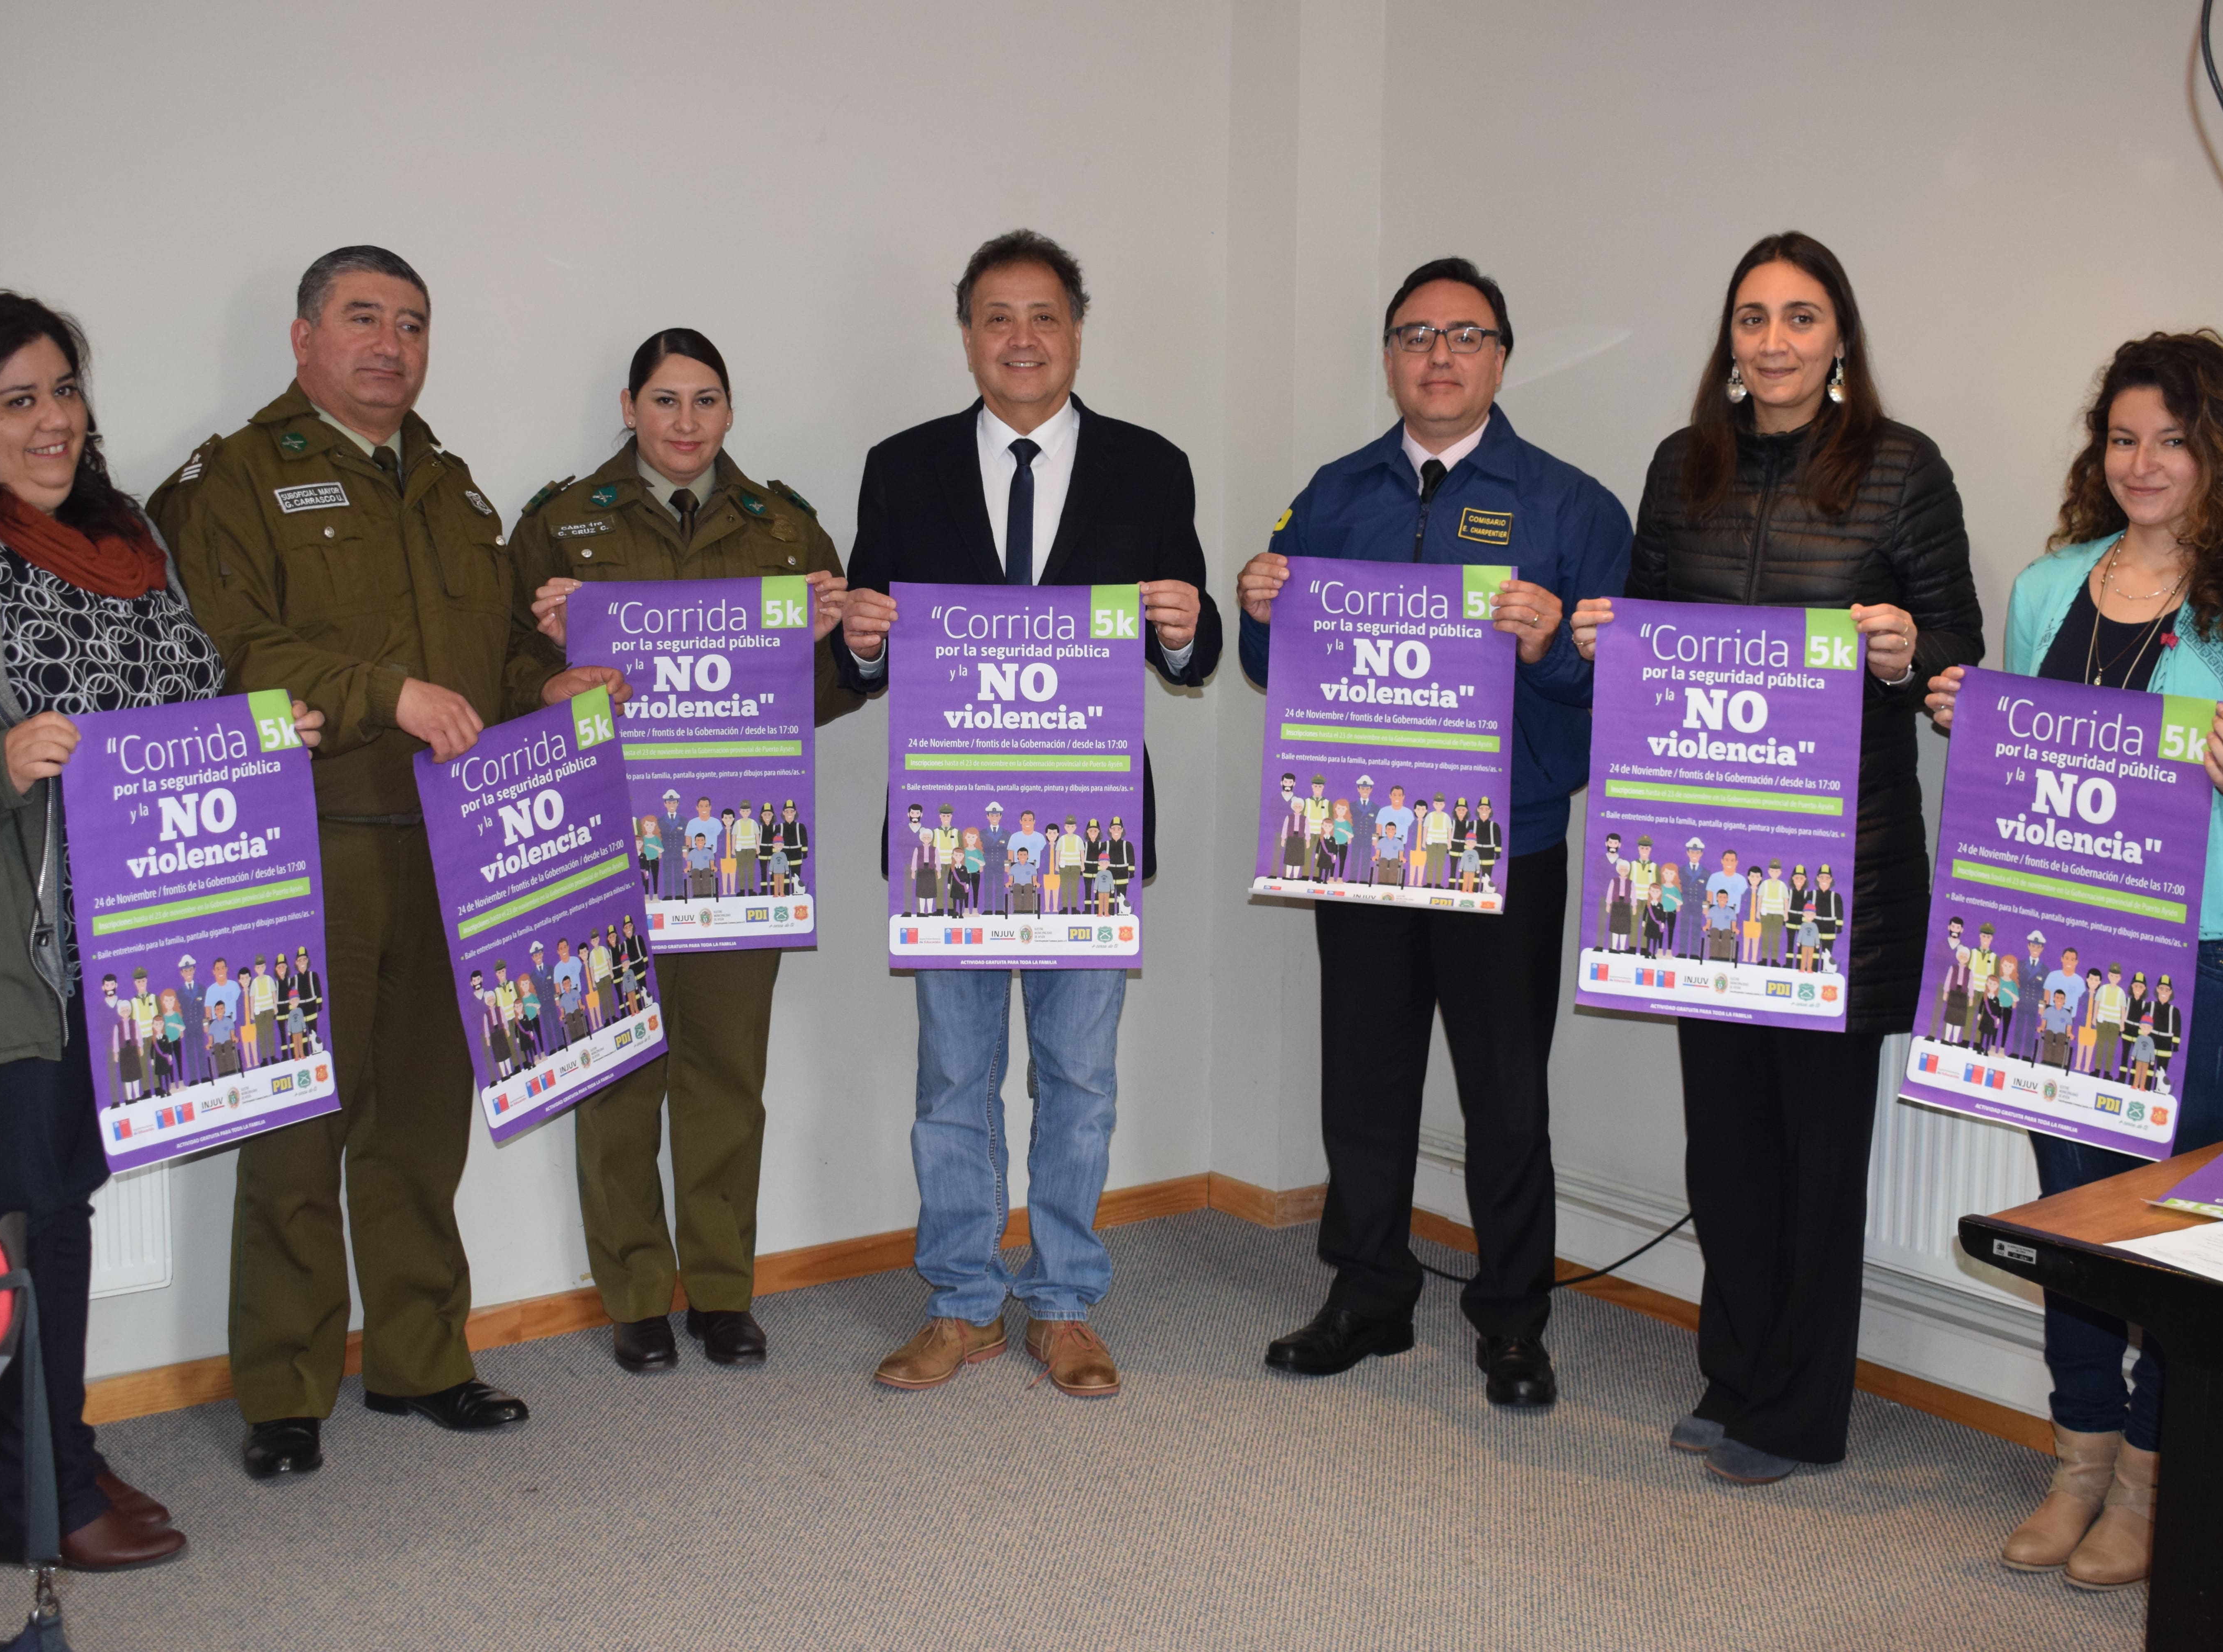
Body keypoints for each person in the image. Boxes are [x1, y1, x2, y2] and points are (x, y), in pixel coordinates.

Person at [0, 291, 319, 1567]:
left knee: (59, 1203)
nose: (53, 420)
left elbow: (175, 701)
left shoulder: (121, 535)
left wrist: (262, 736)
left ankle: (52, 1448)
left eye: (64, 390)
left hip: (124, 945)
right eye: (18, 400)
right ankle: (26, 1504)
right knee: (5, 1218)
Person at [1571, 231, 1982, 1481]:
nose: (1774, 341)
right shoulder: (1679, 464)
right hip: (1703, 865)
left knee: (1818, 1154)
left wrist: (1907, 653)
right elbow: (1648, 625)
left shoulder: (1903, 467)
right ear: (1730, 339)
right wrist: (1608, 638)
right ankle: (1735, 1371)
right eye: (1753, 318)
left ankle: (1800, 1412)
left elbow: (1955, 649)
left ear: (1839, 336)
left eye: (1801, 317)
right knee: (1727, 1146)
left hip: (1841, 873)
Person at [1926, 330, 2223, 1589]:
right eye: (2122, 438)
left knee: (2166, 1236)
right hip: (2054, 948)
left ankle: (2153, 1485)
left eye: (2172, 441)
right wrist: (1971, 716)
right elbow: (2029, 754)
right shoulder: (2052, 585)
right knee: (2072, 1225)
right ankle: (2079, 1462)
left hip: (2202, 960)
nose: (2142, 463)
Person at [151, 245, 537, 1478]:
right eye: (363, 317)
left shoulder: (456, 489)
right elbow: (222, 646)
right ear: (304, 337)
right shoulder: (235, 478)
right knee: (296, 1131)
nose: (391, 343)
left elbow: (490, 658)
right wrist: (385, 691)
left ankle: (422, 1359)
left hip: (450, 842)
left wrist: (550, 684)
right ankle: (284, 1389)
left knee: (423, 1125)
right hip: (306, 844)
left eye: (412, 323)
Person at [837, 229, 1221, 1398]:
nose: (1021, 338)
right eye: (997, 317)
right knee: (954, 1080)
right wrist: (862, 641)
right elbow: (865, 647)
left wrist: (1184, 627)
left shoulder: (1150, 466)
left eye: (1044, 315)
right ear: (967, 336)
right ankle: (962, 1303)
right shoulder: (902, 466)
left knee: (1078, 1080)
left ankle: (1062, 1304)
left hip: (1087, 831)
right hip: (950, 831)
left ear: (1077, 333)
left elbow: (1197, 643)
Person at [1240, 255, 1629, 1408]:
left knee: (1507, 1095)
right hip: (1360, 838)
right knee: (1363, 1080)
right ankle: (1369, 1292)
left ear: (1501, 358)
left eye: (1465, 336)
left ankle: (1513, 1318)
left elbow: (1620, 694)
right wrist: (1258, 609)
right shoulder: (1334, 492)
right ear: (1389, 358)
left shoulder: (1572, 506)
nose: (1440, 355)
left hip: (1509, 841)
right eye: (1416, 335)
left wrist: (1548, 647)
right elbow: (1277, 663)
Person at [511, 325, 859, 1372]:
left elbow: (830, 695)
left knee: (725, 1078)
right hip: (601, 839)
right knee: (616, 1073)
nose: (686, 421)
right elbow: (503, 672)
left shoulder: (785, 527)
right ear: (629, 408)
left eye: (707, 400)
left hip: (735, 854)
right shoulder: (561, 523)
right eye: (665, 399)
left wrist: (828, 645)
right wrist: (549, 660)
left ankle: (721, 1291)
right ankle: (633, 1295)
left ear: (730, 411)